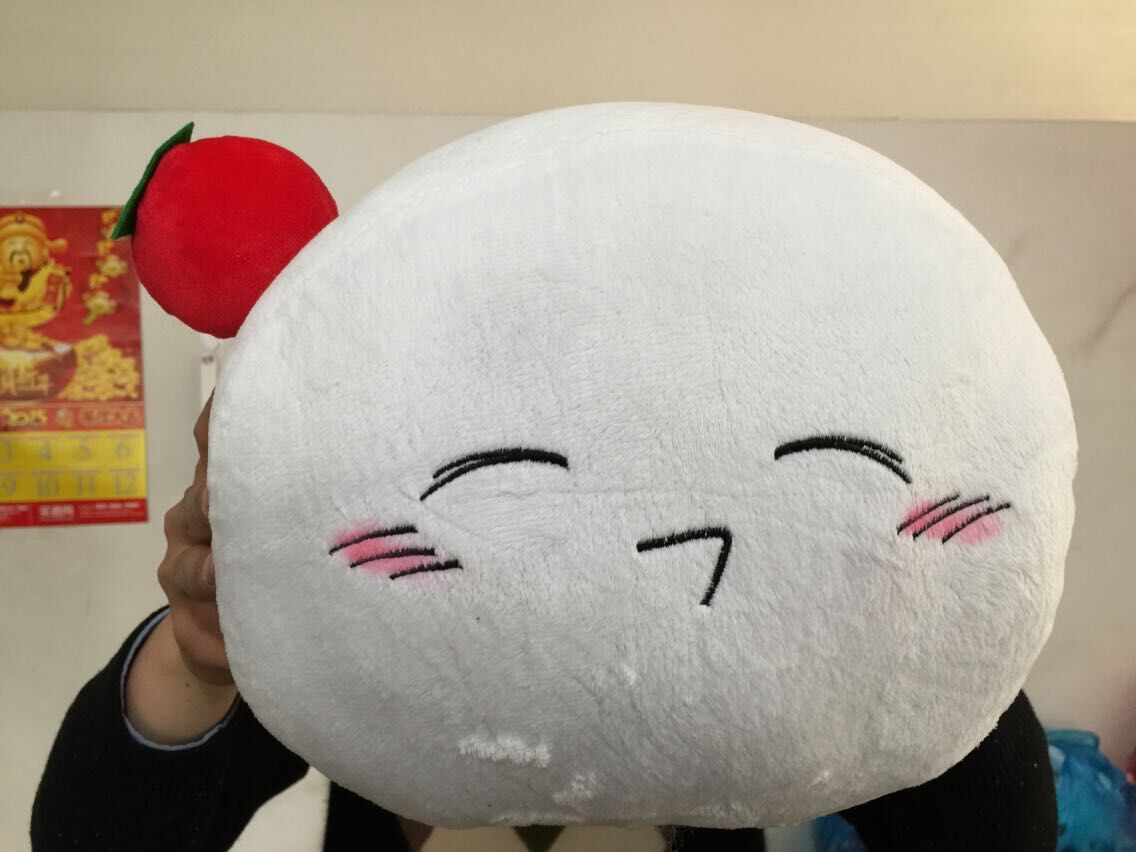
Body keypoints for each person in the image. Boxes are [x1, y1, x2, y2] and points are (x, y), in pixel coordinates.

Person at [30, 398, 1054, 852]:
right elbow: (97, 838)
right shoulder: (390, 588)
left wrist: (914, 617)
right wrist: (205, 649)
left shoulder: (738, 587)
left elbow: (989, 831)